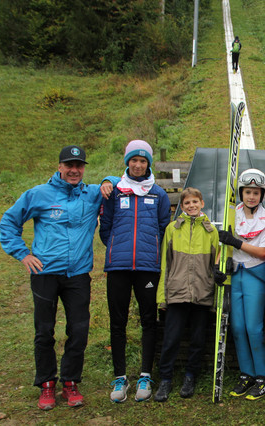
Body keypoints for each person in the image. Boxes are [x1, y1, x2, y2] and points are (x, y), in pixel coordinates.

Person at [0, 145, 116, 410]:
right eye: (69, 165)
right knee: (44, 330)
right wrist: (22, 254)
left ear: (84, 168)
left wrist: (109, 181)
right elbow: (8, 222)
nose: (74, 170)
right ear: (60, 166)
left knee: (79, 329)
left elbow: (121, 180)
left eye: (79, 166)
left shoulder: (92, 193)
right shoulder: (39, 194)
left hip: (78, 274)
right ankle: (47, 384)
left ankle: (70, 382)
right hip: (45, 273)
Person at [99, 140, 171, 403]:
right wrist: (118, 247)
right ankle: (119, 377)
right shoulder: (115, 192)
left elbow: (164, 228)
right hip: (118, 267)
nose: (138, 165)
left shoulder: (159, 194)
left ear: (148, 164)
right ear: (127, 162)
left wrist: (149, 252)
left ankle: (145, 375)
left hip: (148, 268)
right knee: (117, 322)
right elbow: (105, 228)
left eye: (143, 161)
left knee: (148, 320)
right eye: (134, 160)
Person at [153, 187, 226, 402]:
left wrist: (214, 297)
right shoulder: (172, 229)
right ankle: (165, 379)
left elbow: (217, 263)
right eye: (187, 203)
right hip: (176, 292)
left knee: (197, 339)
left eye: (195, 202)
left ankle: (190, 376)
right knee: (171, 338)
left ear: (202, 203)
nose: (192, 206)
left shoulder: (211, 231)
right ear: (181, 207)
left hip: (202, 293)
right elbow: (165, 264)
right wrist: (162, 297)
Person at [218, 169, 265, 400]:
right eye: (248, 192)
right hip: (235, 273)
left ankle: (263, 375)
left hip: (254, 273)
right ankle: (246, 373)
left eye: (256, 192)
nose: (251, 196)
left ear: (262, 194)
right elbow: (222, 241)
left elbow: (263, 252)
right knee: (238, 328)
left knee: (253, 328)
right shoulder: (232, 213)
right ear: (241, 192)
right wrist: (218, 266)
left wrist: (237, 244)